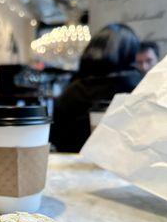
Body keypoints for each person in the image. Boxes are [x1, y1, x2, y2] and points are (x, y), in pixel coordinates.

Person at [51, 23, 142, 152]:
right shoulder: (137, 87)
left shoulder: (72, 91)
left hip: (73, 165)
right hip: (124, 166)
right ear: (131, 54)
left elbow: (56, 138)